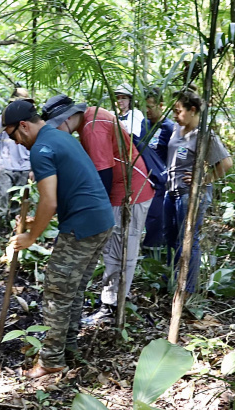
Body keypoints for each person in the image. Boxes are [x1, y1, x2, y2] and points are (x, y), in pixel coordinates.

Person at [0, 99, 113, 378]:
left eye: (12, 135)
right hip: (101, 220)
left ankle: (51, 360)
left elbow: (49, 201)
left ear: (23, 126)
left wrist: (31, 236)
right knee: (72, 288)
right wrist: (33, 222)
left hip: (82, 224)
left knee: (56, 292)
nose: (15, 142)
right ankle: (68, 346)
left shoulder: (41, 148)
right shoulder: (61, 136)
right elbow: (65, 190)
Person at [42, 95, 154, 310]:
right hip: (120, 189)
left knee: (121, 250)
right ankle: (111, 300)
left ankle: (113, 306)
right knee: (113, 248)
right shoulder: (91, 117)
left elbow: (102, 178)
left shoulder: (93, 128)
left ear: (66, 119)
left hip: (129, 192)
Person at [163, 89, 232, 292]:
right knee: (170, 237)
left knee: (188, 241)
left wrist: (203, 179)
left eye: (178, 111)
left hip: (189, 195)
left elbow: (226, 163)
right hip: (171, 192)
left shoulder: (204, 135)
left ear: (192, 110)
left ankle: (187, 288)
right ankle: (172, 282)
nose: (175, 116)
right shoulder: (177, 128)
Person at [0, 88, 33, 215]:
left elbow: (36, 145)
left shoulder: (31, 121)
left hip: (25, 166)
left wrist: (33, 169)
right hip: (6, 165)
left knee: (19, 205)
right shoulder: (3, 119)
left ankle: (14, 232)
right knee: (1, 201)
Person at [142, 88, 175, 248]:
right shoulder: (144, 125)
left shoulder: (169, 128)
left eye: (150, 106)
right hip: (143, 180)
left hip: (161, 182)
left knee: (157, 219)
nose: (146, 110)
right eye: (144, 106)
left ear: (161, 105)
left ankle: (155, 252)